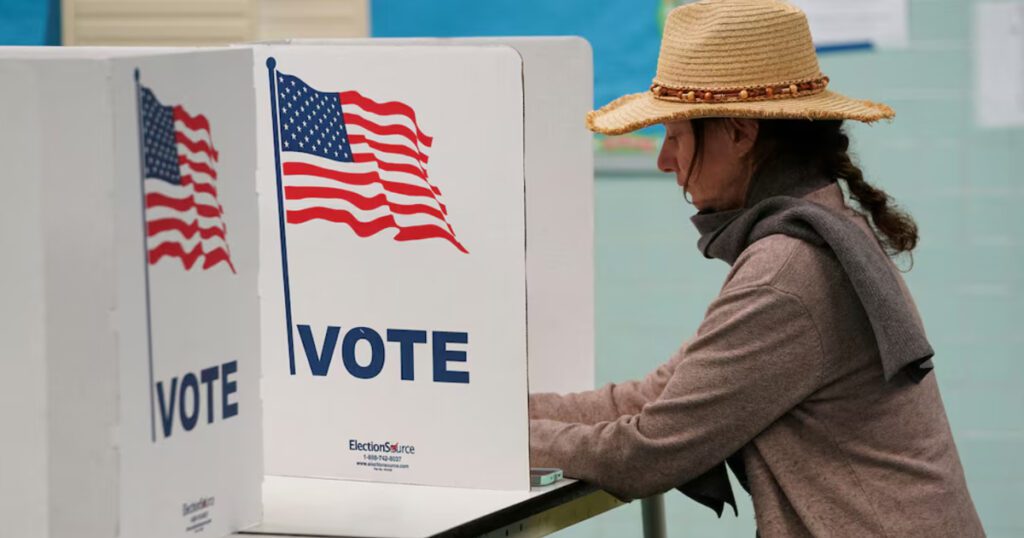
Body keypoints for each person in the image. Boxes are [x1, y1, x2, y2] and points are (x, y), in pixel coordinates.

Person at [527, 1, 984, 536]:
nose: (664, 160)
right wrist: (503, 413)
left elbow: (646, 451)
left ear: (740, 134)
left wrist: (492, 435)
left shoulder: (787, 269)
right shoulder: (818, 232)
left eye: (674, 136)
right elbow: (657, 396)